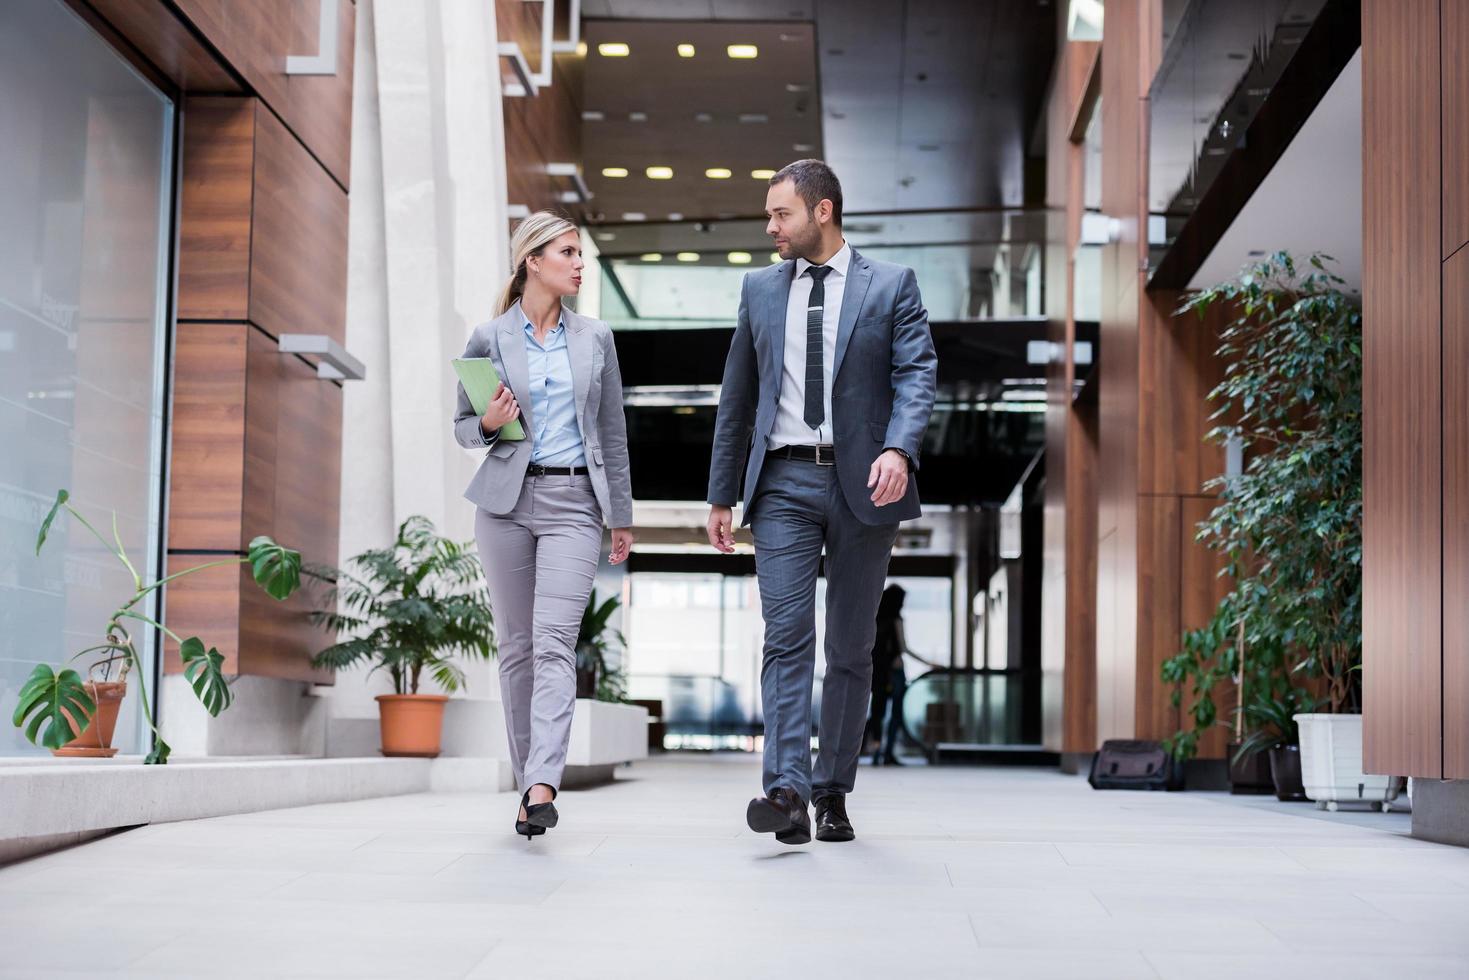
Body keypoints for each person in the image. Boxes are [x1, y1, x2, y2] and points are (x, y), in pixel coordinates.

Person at [706, 160, 938, 844]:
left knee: (849, 646)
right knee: (785, 636)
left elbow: (916, 373)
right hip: (780, 482)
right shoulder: (757, 291)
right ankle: (785, 789)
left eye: (781, 214)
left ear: (822, 212)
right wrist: (722, 493)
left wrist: (899, 448)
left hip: (864, 481)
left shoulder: (890, 286)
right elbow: (737, 398)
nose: (771, 227)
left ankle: (833, 787)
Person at [453, 211, 634, 840]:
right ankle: (526, 781)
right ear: (533, 261)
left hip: (577, 504)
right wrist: (489, 419)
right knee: (517, 649)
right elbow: (463, 426)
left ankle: (542, 782)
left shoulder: (597, 339)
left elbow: (612, 431)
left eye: (580, 254)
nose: (581, 264)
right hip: (505, 503)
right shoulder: (490, 337)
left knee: (556, 643)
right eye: (569, 253)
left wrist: (622, 517)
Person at [866, 584, 940, 766]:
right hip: (895, 672)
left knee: (877, 711)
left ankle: (876, 752)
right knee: (896, 713)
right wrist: (928, 662)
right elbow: (904, 648)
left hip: (877, 671)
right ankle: (888, 753)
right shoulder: (896, 620)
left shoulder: (874, 618)